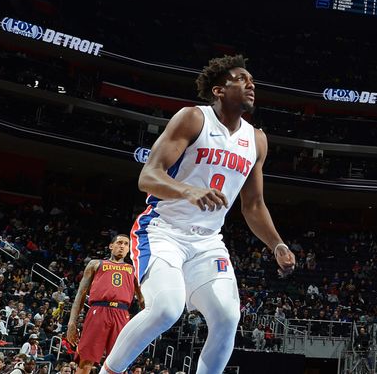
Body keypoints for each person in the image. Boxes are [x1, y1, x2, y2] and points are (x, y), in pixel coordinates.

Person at [98, 56, 296, 374]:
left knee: (228, 318)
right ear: (219, 90)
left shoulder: (256, 140)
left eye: (252, 80)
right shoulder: (193, 119)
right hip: (163, 230)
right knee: (166, 308)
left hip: (207, 242)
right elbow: (148, 177)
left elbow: (254, 205)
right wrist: (189, 191)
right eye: (241, 78)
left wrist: (277, 244)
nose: (251, 84)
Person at [67, 234, 140, 374]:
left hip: (122, 313)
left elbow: (142, 300)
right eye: (119, 243)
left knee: (118, 363)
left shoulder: (133, 270)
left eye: (126, 244)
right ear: (111, 246)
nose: (122, 246)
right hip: (99, 310)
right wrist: (72, 322)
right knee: (86, 359)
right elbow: (80, 294)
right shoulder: (96, 264)